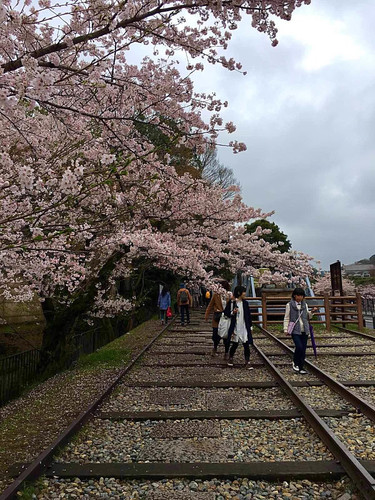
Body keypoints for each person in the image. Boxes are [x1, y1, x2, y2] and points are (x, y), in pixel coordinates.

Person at [283, 287, 318, 374]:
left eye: (301, 295)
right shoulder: (289, 305)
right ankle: (295, 362)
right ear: (294, 295)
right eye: (298, 295)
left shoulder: (305, 305)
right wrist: (285, 329)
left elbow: (307, 316)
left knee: (303, 349)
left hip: (304, 329)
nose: (299, 297)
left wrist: (312, 312)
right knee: (299, 347)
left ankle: (301, 367)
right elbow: (286, 318)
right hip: (295, 329)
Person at [224, 285, 254, 368]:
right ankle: (230, 357)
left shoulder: (245, 303)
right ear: (239, 293)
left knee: (246, 344)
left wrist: (250, 326)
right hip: (235, 326)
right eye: (243, 292)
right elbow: (226, 313)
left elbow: (248, 316)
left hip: (244, 326)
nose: (245, 293)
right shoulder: (232, 302)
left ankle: (247, 361)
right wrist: (232, 312)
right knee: (235, 343)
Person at [205, 280, 231, 358]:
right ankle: (215, 347)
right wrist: (207, 314)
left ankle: (226, 352)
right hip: (217, 317)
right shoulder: (216, 295)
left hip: (226, 318)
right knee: (215, 334)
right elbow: (210, 305)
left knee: (226, 335)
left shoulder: (229, 295)